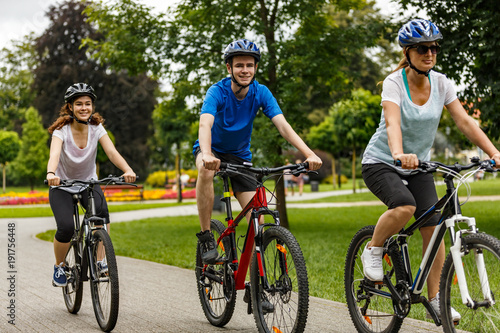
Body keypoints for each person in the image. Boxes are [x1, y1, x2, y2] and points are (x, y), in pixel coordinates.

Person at [360, 19, 500, 322]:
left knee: (434, 227)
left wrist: (493, 152)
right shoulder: (394, 82)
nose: (430, 53)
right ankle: (373, 249)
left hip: (419, 165)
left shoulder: (442, 83)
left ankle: (435, 298)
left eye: (434, 47)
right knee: (405, 205)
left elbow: (464, 121)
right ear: (408, 52)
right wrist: (398, 154)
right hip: (381, 162)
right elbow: (393, 122)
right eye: (423, 48)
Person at [193, 39, 322, 264]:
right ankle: (206, 236)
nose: (245, 70)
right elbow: (205, 124)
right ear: (229, 68)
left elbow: (283, 126)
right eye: (240, 65)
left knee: (259, 220)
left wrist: (309, 153)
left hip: (240, 157)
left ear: (255, 67)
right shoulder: (217, 91)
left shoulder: (260, 92)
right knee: (205, 171)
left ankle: (254, 283)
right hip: (212, 151)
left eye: (250, 65)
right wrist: (206, 154)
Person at [46, 83, 136, 287]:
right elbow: (54, 155)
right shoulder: (61, 131)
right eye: (79, 104)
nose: (84, 108)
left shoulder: (97, 129)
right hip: (61, 185)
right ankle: (60, 265)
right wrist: (51, 174)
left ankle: (100, 261)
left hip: (88, 183)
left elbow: (112, 152)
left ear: (92, 106)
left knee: (102, 218)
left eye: (88, 103)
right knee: (66, 228)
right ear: (70, 107)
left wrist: (127, 170)